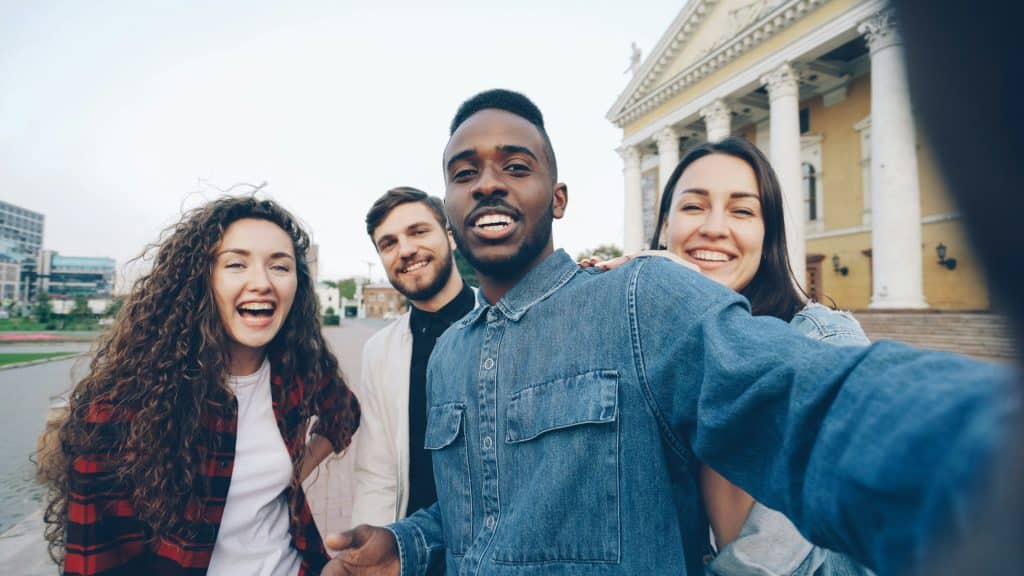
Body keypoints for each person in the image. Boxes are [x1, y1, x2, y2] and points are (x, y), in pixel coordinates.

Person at [321, 89, 1014, 576]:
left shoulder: (639, 299)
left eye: (517, 166)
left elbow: (807, 405)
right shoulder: (450, 357)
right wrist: (406, 544)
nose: (489, 184)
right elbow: (481, 513)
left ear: (558, 198)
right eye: (464, 173)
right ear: (450, 206)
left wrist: (983, 454)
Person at [40, 196, 361, 575]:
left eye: (280, 266)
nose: (262, 282)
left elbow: (344, 411)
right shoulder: (119, 411)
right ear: (199, 280)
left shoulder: (296, 371)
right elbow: (96, 564)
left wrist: (293, 472)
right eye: (236, 264)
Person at [648, 136, 872, 575]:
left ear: (767, 235)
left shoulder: (824, 341)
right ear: (662, 229)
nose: (713, 227)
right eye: (693, 207)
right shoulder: (645, 364)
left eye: (742, 210)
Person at [352, 188, 475, 543]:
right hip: (415, 549)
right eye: (388, 243)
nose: (405, 250)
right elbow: (376, 471)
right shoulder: (379, 350)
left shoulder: (506, 322)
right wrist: (373, 547)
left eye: (418, 232)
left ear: (450, 237)